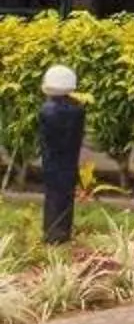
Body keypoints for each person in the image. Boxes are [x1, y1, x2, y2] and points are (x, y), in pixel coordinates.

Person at [37, 63, 85, 246]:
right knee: (65, 193)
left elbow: (45, 138)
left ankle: (52, 232)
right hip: (69, 160)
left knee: (53, 194)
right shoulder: (78, 109)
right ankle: (63, 231)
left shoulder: (47, 110)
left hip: (52, 161)